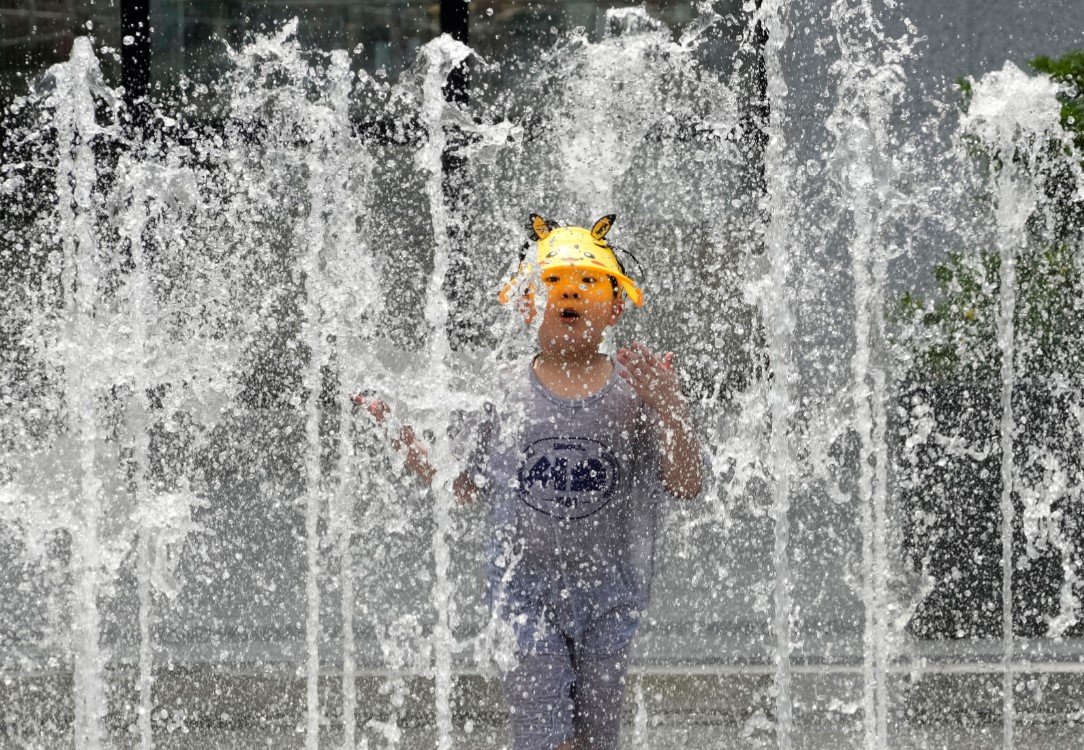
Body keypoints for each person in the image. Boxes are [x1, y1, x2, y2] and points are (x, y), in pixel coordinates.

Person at [353, 214, 705, 750]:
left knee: (594, 739)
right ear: (526, 305)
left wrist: (671, 409)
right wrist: (402, 436)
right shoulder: (502, 394)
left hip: (611, 595)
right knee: (546, 737)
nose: (569, 293)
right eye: (553, 282)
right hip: (522, 594)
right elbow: (462, 485)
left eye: (587, 282)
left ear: (614, 305)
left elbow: (684, 483)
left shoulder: (634, 394)